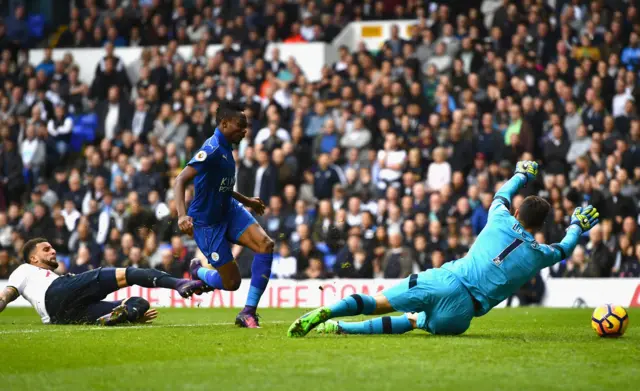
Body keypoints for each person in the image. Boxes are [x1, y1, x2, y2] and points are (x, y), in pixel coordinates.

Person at [287, 161, 600, 337]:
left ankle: (328, 313)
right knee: (412, 321)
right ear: (539, 225)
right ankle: (340, 329)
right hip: (462, 315)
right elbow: (564, 248)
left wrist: (521, 174)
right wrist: (577, 225)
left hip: (447, 280)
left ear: (518, 212)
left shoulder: (500, 217)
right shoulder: (539, 254)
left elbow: (502, 193)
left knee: (376, 302)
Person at [173, 101, 275, 328]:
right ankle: (198, 271)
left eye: (246, 126)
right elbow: (180, 180)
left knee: (265, 245)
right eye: (240, 125)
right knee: (232, 283)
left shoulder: (228, 146)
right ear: (224, 123)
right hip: (207, 224)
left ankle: (248, 312)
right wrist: (182, 216)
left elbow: (223, 186)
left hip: (228, 210)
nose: (244, 130)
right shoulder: (211, 150)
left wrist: (246, 201)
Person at [0, 238, 204, 325]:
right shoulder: (24, 270)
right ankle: (179, 283)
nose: (53, 250)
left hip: (62, 317)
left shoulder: (46, 276)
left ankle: (126, 315)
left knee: (139, 303)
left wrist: (133, 316)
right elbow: (7, 294)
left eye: (52, 247)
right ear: (33, 259)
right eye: (46, 249)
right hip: (59, 291)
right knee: (128, 273)